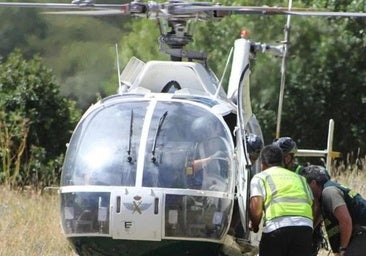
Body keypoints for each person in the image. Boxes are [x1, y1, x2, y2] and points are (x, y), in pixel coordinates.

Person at [249, 144, 314, 256]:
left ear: (262, 164)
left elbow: (256, 207)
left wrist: (255, 225)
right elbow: (312, 204)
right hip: (305, 229)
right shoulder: (301, 179)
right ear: (283, 162)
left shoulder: (260, 177)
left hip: (277, 228)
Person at [300, 165, 366, 256]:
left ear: (314, 183)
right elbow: (318, 214)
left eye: (306, 184)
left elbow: (345, 221)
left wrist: (343, 249)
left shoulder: (329, 192)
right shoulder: (325, 193)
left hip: (362, 232)